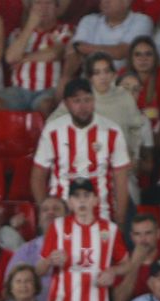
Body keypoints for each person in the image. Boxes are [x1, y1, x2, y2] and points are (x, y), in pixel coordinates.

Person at [34, 79, 132, 228]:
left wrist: (120, 219)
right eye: (77, 101)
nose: (83, 106)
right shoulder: (52, 131)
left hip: (102, 212)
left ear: (94, 101)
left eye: (87, 100)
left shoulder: (112, 131)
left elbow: (121, 180)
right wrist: (47, 211)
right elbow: (37, 177)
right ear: (67, 104)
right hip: (61, 213)